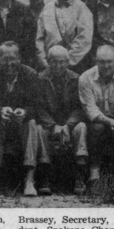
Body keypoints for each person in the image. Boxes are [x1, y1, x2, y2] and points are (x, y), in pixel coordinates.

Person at [0, 42, 47, 197]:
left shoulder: (30, 74)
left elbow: (38, 105)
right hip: (1, 123)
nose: (9, 63)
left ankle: (29, 180)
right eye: (5, 59)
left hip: (22, 123)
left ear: (19, 59)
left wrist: (25, 112)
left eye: (13, 59)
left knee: (32, 124)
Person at [78, 44, 114, 189]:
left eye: (109, 61)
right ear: (96, 61)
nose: (106, 66)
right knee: (96, 129)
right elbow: (90, 109)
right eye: (102, 62)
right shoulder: (85, 78)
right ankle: (95, 177)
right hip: (98, 121)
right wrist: (109, 121)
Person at [37, 46, 88, 195]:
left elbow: (80, 107)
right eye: (54, 61)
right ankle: (44, 176)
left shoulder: (76, 79)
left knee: (81, 127)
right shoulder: (40, 79)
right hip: (49, 124)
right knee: (39, 129)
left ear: (67, 61)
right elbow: (38, 107)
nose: (58, 66)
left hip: (70, 124)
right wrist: (53, 126)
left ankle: (80, 176)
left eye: (62, 62)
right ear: (48, 61)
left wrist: (68, 125)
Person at [35, 0, 94, 73]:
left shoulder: (82, 9)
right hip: (48, 67)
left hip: (74, 68)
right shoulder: (47, 8)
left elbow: (84, 40)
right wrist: (45, 62)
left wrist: (64, 64)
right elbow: (39, 39)